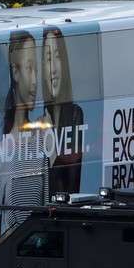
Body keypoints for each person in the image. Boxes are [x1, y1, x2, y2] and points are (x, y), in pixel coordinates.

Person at [0, 30, 49, 247]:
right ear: (15, 72)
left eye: (37, 69)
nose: (35, 81)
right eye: (29, 68)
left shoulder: (43, 137)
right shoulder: (1, 147)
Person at [41, 27, 85, 194]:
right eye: (48, 59)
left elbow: (72, 186)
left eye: (57, 57)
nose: (52, 69)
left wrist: (52, 150)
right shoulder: (39, 122)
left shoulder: (75, 115)